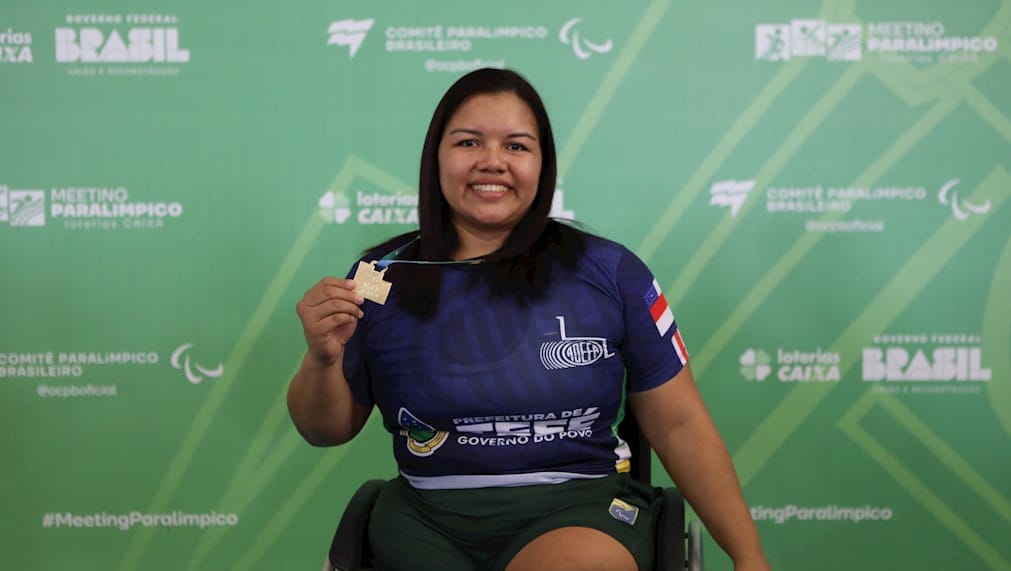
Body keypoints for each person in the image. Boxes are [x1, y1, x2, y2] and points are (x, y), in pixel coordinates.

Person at [288, 68, 770, 571]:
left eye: (516, 147)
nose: (492, 162)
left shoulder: (609, 272)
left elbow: (678, 423)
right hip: (424, 521)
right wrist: (322, 359)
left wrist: (748, 557)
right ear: (437, 157)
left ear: (544, 164)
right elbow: (325, 430)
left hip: (578, 511)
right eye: (469, 142)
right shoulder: (379, 278)